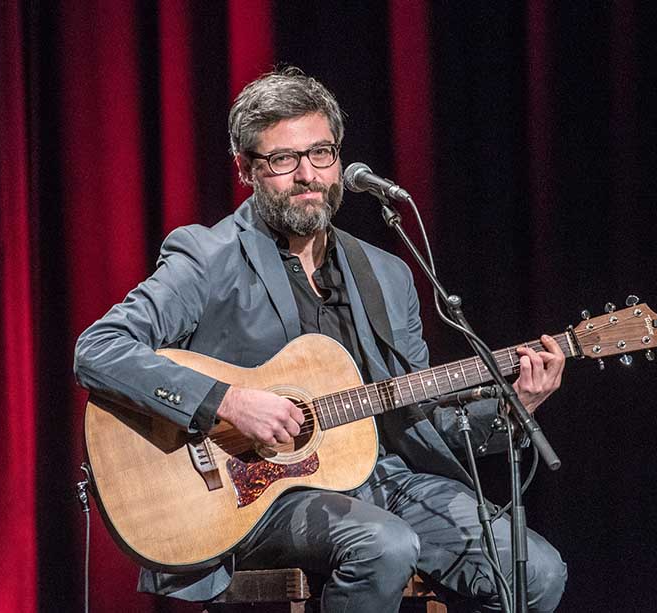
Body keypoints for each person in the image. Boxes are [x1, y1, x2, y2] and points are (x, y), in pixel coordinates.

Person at [74, 67, 567, 612]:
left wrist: (511, 408)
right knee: (382, 544)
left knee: (537, 572)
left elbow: (422, 421)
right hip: (258, 494)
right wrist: (230, 402)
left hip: (385, 478)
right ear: (246, 169)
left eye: (321, 154)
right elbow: (99, 349)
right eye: (283, 160)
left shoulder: (386, 273)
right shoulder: (206, 258)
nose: (308, 175)